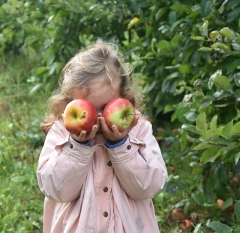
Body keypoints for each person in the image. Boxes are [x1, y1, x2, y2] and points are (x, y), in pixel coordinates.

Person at [37, 40, 168, 233]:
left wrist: (122, 145)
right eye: (86, 108)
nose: (97, 118)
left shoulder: (138, 130)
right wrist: (77, 147)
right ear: (69, 103)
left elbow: (150, 185)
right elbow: (56, 189)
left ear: (126, 100)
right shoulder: (62, 131)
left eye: (107, 107)